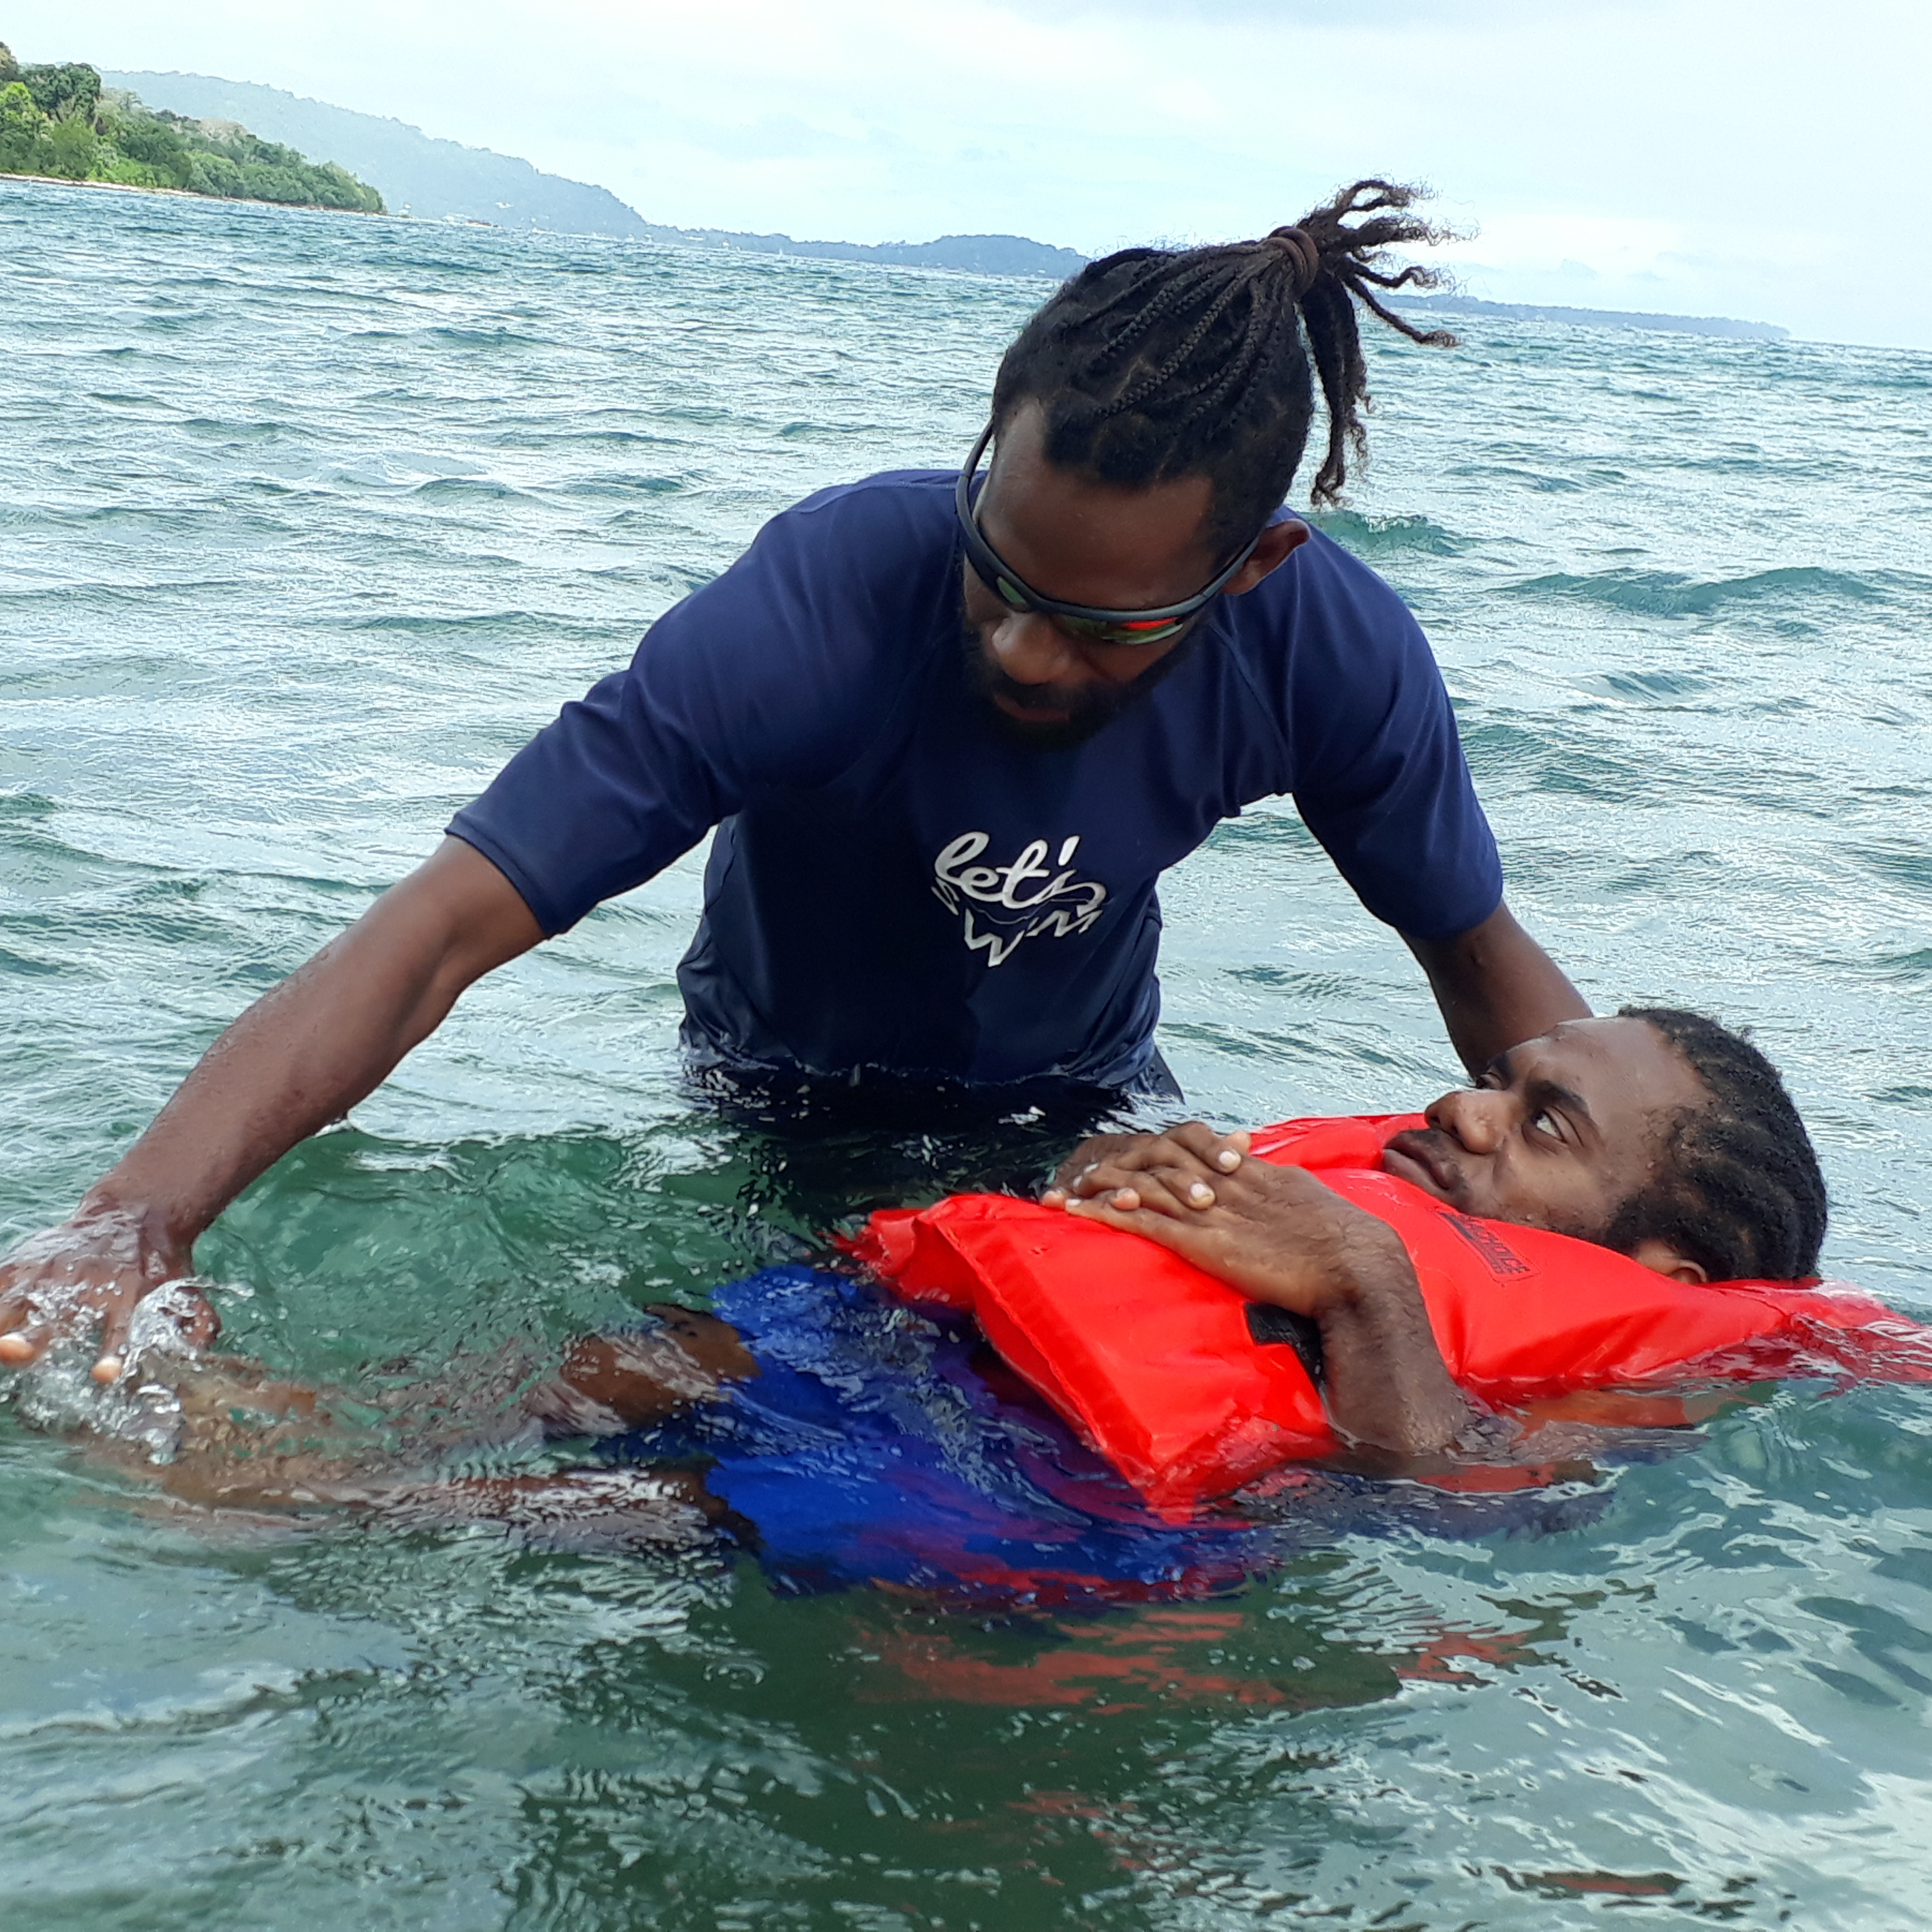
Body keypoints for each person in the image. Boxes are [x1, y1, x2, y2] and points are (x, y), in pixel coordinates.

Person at [0, 179, 1588, 1382]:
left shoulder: (1330, 650)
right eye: (999, 574)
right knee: (726, 1406)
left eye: (1103, 627)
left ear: (1254, 568)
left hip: (1083, 1101)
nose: (1027, 653)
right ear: (982, 463)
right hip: (783, 1096)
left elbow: (1478, 964)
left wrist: (1671, 1246)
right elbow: (439, 931)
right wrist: (137, 1214)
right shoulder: (820, 605)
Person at [31, 1008, 1830, 1605]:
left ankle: (227, 1505)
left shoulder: (1661, 1366)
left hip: (1064, 1488)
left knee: (654, 1508)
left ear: (1666, 1266)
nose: (1464, 1110)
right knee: (616, 1360)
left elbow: (1473, 1499)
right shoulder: (1369, 1174)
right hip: (931, 1339)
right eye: (1499, 1079)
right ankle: (263, 1426)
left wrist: (1356, 1279)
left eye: (1542, 1124)